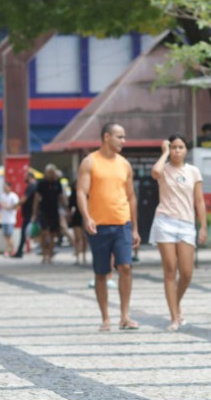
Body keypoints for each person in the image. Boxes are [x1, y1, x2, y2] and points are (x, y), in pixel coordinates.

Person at [78, 123, 141, 332]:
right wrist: (86, 217)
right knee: (101, 273)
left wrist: (135, 228)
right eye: (119, 137)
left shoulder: (125, 164)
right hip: (99, 225)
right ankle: (105, 317)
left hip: (122, 223)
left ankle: (125, 316)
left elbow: (131, 197)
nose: (124, 141)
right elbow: (81, 192)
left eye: (124, 137)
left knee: (125, 267)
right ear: (106, 137)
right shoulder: (90, 162)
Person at [149, 134, 207, 331]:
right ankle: (174, 317)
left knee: (187, 273)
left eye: (181, 147)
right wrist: (164, 153)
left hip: (186, 224)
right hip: (165, 222)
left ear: (186, 150)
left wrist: (204, 226)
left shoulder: (193, 171)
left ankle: (176, 302)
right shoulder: (163, 168)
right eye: (173, 147)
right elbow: (154, 172)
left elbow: (199, 200)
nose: (177, 151)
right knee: (170, 269)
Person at [32, 164, 68, 264]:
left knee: (53, 234)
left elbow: (61, 197)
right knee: (44, 233)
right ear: (46, 173)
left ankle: (50, 254)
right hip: (43, 211)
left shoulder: (58, 183)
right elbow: (36, 199)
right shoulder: (41, 184)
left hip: (54, 211)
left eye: (53, 172)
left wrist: (66, 207)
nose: (51, 174)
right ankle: (44, 254)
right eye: (49, 172)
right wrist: (34, 213)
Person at [13, 172, 38, 258]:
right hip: (31, 213)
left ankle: (19, 251)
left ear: (30, 177)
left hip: (29, 214)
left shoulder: (31, 186)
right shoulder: (35, 185)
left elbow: (24, 199)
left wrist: (15, 205)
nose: (24, 178)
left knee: (24, 233)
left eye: (26, 177)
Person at [68, 179, 87, 265]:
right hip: (77, 216)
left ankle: (83, 256)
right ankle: (78, 256)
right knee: (78, 238)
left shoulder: (87, 194)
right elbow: (70, 207)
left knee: (84, 238)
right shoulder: (73, 195)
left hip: (85, 216)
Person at [0, 181, 19, 257]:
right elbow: (0, 204)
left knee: (9, 235)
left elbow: (17, 206)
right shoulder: (2, 196)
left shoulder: (13, 196)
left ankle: (10, 250)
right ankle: (11, 249)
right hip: (3, 218)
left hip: (11, 219)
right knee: (6, 236)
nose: (4, 188)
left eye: (5, 186)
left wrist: (9, 207)